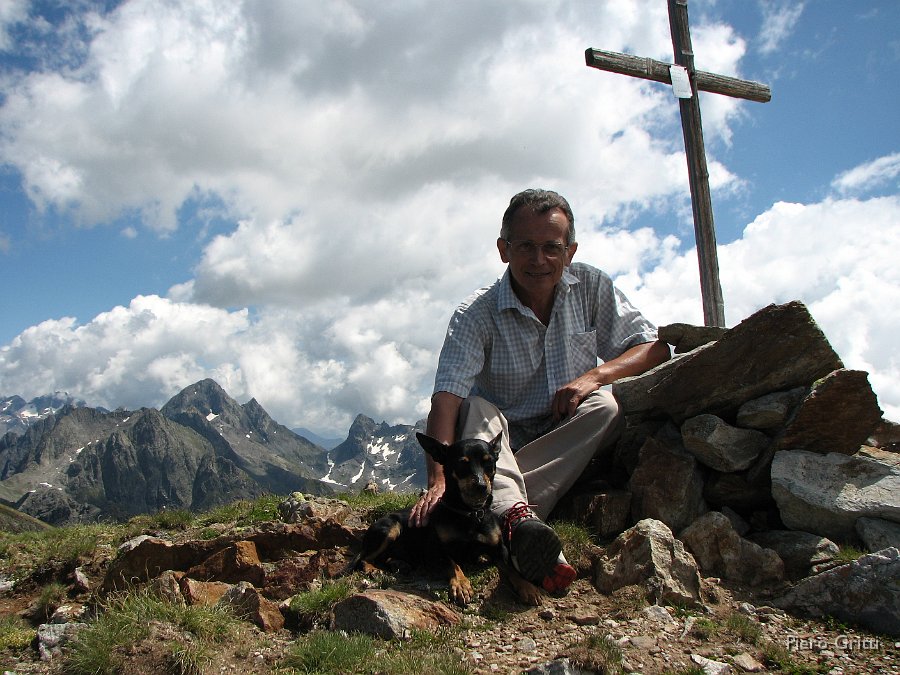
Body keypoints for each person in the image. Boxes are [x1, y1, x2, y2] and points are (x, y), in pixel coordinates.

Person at [409, 188, 670, 594]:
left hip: (564, 428)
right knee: (476, 407)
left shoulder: (591, 286)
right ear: (503, 250)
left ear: (570, 250)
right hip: (500, 442)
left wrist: (594, 377)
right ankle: (517, 520)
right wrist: (438, 480)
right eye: (525, 246)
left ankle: (499, 511)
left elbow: (652, 346)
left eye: (552, 247)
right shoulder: (475, 314)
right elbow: (447, 399)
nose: (539, 260)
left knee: (606, 406)